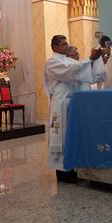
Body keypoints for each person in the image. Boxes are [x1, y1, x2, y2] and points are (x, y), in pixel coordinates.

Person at [44, 35, 102, 181]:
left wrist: (96, 61)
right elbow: (69, 71)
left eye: (66, 43)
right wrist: (89, 59)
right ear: (55, 47)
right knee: (62, 135)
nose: (66, 46)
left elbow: (84, 74)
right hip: (61, 103)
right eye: (63, 44)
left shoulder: (68, 60)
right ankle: (63, 171)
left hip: (73, 102)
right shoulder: (52, 62)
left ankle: (75, 167)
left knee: (72, 135)